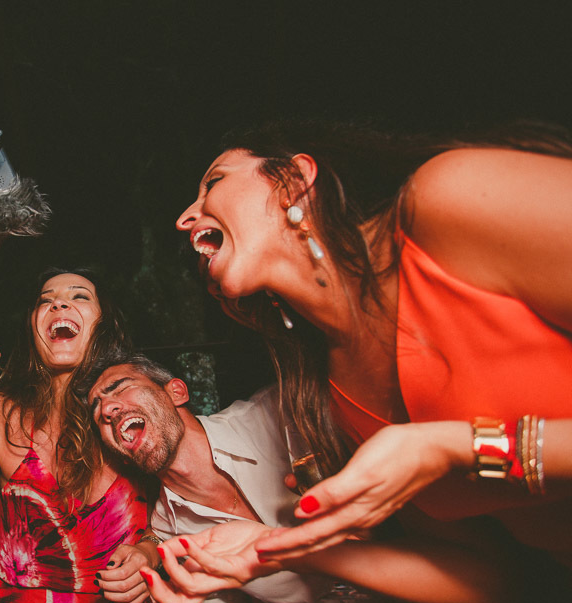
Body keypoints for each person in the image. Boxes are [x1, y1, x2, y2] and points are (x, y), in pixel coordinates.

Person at [172, 119, 572, 569]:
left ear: (294, 180)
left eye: (214, 182)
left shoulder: (447, 201)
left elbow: (445, 452)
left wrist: (455, 449)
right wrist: (277, 551)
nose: (184, 217)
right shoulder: (336, 400)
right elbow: (487, 573)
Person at [86, 353, 528, 603]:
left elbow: (495, 573)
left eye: (118, 388)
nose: (106, 409)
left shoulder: (288, 415)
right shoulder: (166, 525)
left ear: (176, 391)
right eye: (97, 411)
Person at [0, 269, 168, 603]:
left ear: (104, 325)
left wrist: (149, 554)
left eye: (79, 296)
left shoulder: (138, 414)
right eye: (46, 299)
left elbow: (181, 520)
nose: (59, 303)